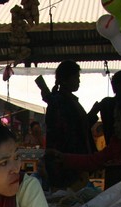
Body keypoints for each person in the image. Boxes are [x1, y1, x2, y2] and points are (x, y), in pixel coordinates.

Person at [43, 61, 95, 190]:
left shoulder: (64, 100)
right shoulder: (60, 102)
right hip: (66, 162)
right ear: (65, 80)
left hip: (71, 160)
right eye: (76, 77)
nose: (78, 81)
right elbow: (68, 132)